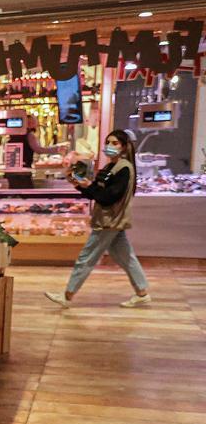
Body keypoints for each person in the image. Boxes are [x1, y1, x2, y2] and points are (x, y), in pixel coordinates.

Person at [45, 129, 150, 309]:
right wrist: (80, 185)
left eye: (115, 143)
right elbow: (98, 192)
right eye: (108, 142)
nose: (110, 146)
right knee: (126, 257)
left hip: (108, 222)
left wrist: (89, 186)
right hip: (109, 220)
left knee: (86, 258)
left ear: (124, 147)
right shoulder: (110, 167)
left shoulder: (124, 168)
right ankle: (142, 293)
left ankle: (67, 295)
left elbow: (108, 197)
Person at [4, 115, 66, 189]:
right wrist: (57, 149)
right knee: (27, 195)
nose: (32, 123)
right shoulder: (29, 135)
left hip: (11, 171)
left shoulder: (13, 134)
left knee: (16, 194)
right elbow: (39, 150)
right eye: (30, 122)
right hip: (23, 172)